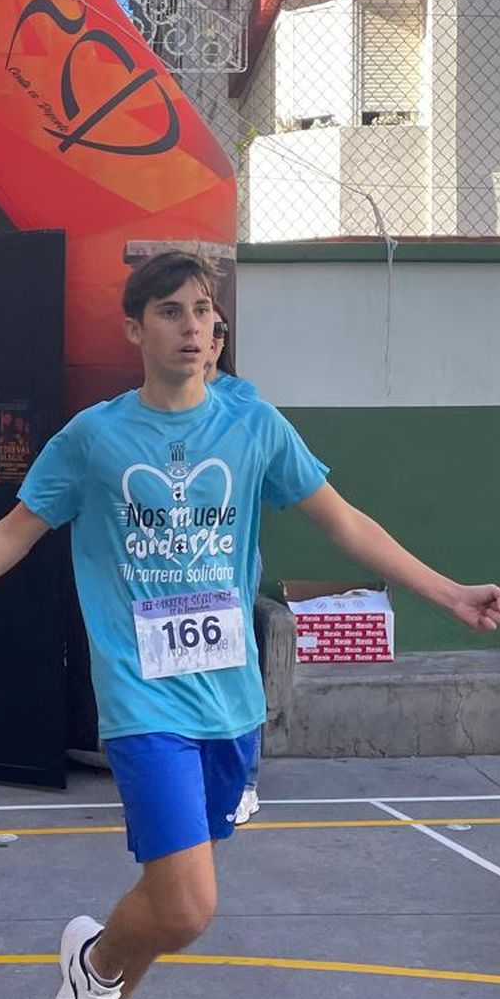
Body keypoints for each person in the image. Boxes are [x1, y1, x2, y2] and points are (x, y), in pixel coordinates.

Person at [0, 251, 500, 999]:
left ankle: (104, 988)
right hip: (143, 695)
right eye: (170, 311)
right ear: (135, 328)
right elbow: (11, 534)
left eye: (203, 311)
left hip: (230, 700)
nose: (192, 326)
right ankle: (96, 976)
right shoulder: (93, 438)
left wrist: (447, 590)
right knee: (191, 905)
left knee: (169, 898)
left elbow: (343, 521)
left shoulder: (253, 424)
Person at [205, 313, 263, 821]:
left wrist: (445, 592)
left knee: (234, 660)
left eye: (217, 328)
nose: (207, 336)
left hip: (228, 559)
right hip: (172, 565)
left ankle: (246, 779)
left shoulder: (245, 403)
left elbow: (343, 522)